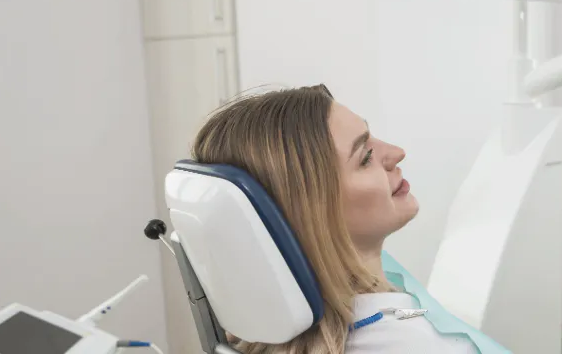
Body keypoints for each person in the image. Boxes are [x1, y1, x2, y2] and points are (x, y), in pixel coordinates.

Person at [191, 85, 500, 353]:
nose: (396, 153)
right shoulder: (410, 345)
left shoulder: (267, 332)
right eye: (365, 157)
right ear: (311, 212)